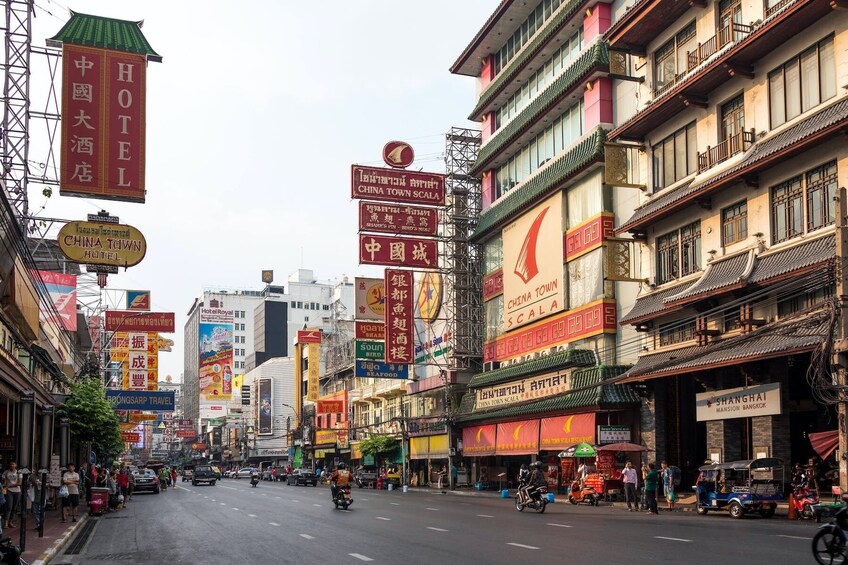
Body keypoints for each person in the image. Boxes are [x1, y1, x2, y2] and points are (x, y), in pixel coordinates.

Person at [3, 461, 21, 529]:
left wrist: (9, 486)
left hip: (17, 491)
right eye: (10, 464)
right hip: (9, 492)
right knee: (9, 507)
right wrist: (5, 486)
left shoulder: (19, 472)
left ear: (15, 465)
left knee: (14, 507)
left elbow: (20, 483)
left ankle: (10, 522)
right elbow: (4, 482)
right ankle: (6, 523)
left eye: (13, 464)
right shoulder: (6, 472)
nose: (11, 465)